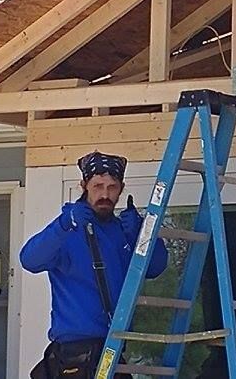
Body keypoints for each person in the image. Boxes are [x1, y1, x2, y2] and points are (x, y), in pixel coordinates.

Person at [22, 150, 169, 378]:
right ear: (83, 185)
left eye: (112, 187)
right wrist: (64, 225)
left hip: (113, 346)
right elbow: (29, 260)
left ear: (121, 188)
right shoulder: (68, 231)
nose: (105, 194)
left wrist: (142, 233)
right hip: (76, 352)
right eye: (97, 186)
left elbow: (156, 268)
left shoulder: (122, 230)